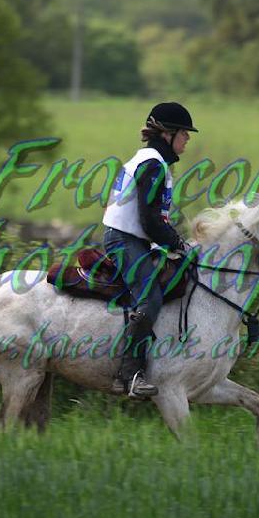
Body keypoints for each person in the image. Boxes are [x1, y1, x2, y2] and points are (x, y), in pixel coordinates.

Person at [102, 102, 196, 399]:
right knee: (150, 297)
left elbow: (156, 220)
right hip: (124, 239)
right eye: (184, 133)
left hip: (136, 239)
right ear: (167, 134)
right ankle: (129, 375)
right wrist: (178, 245)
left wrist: (174, 243)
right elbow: (150, 219)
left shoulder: (155, 162)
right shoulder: (152, 164)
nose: (188, 139)